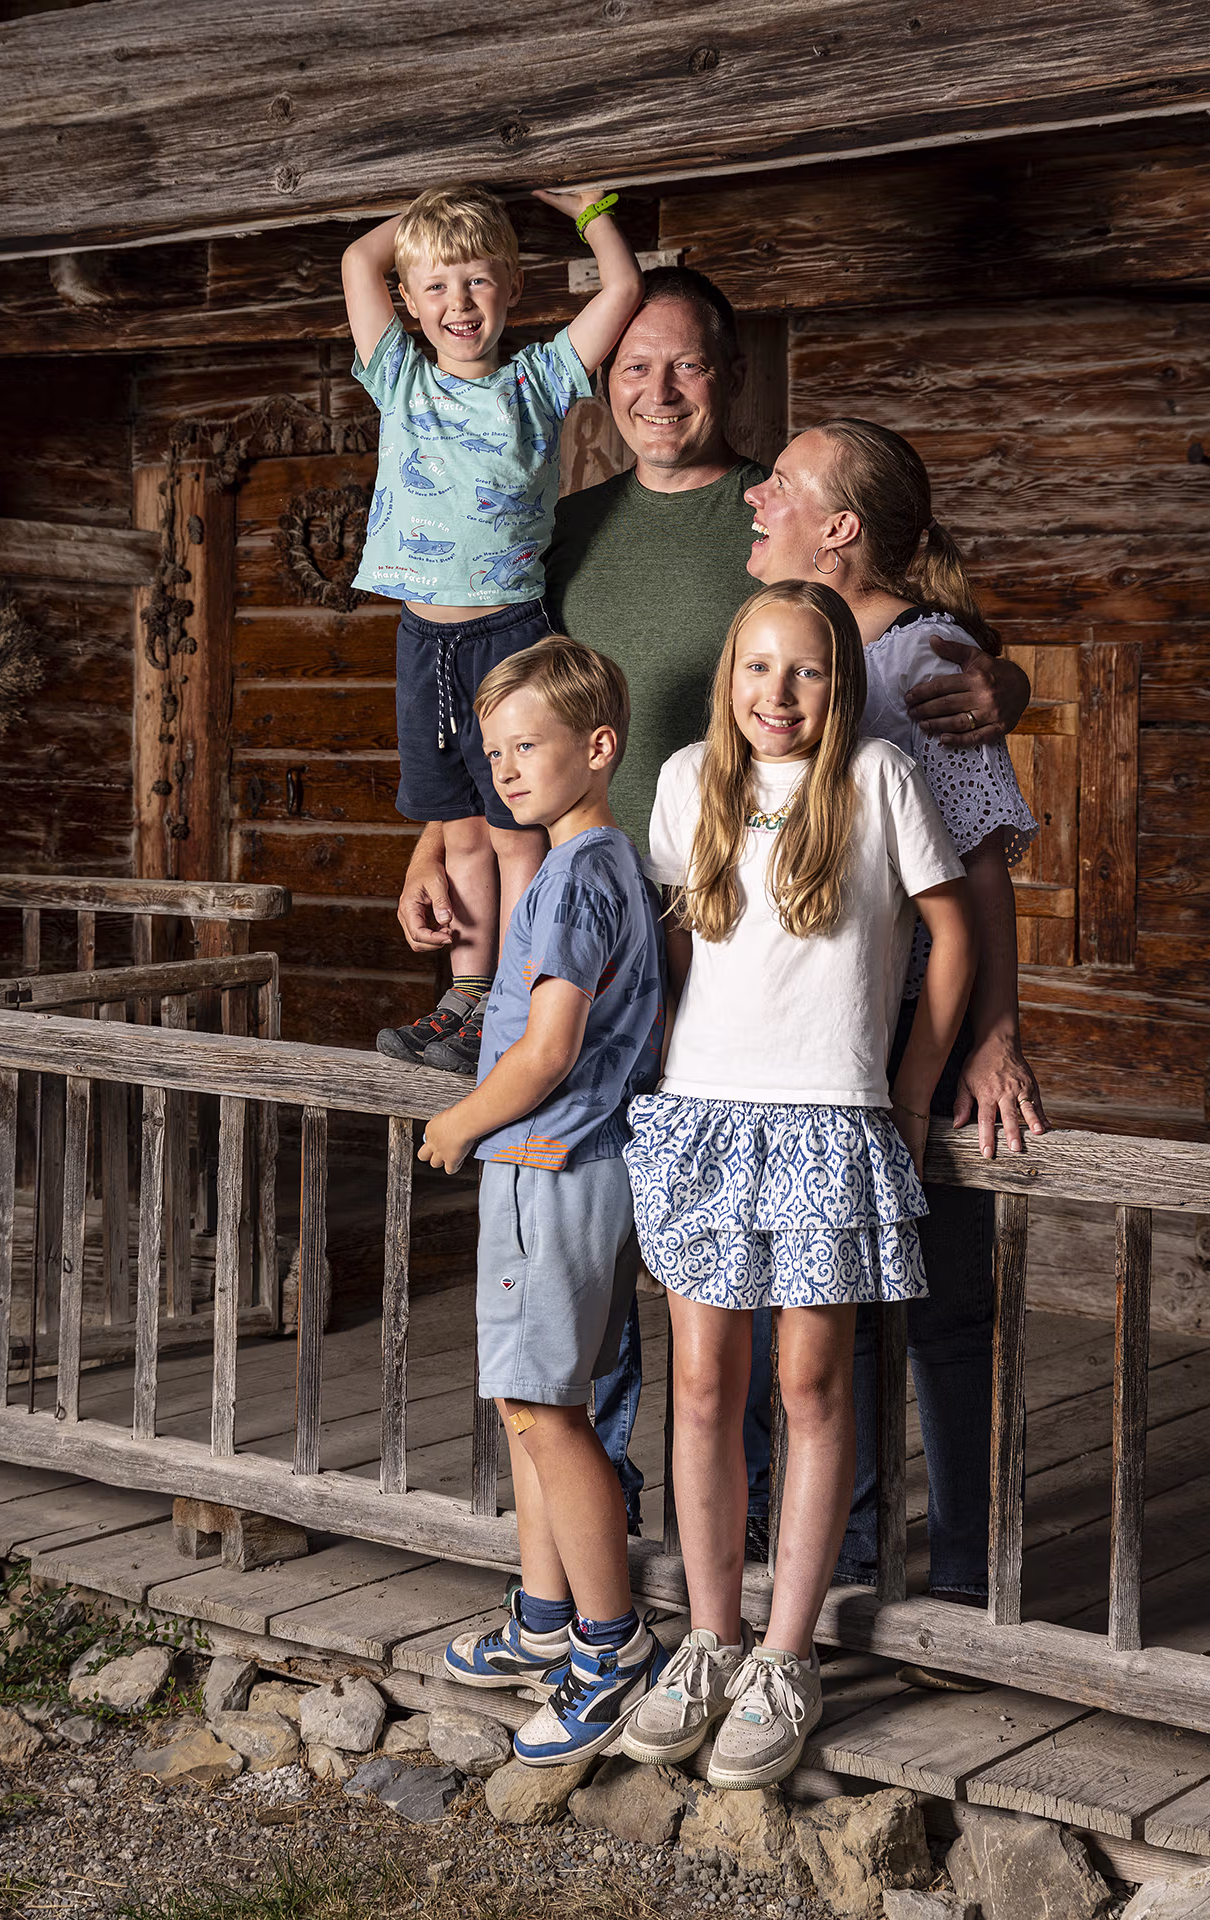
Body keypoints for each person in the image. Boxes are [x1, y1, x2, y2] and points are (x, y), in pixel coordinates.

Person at [393, 269, 1033, 1552]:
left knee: (831, 1310)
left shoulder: (862, 620)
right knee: (666, 1275)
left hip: (829, 1002)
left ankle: (885, 1558)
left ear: (727, 380)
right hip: (652, 965)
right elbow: (494, 680)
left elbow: (961, 844)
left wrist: (995, 676)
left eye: (682, 365)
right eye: (629, 366)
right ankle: (641, 1533)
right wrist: (444, 823)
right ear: (594, 385)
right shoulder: (568, 534)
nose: (655, 391)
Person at [621, 581, 976, 1786]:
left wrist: (914, 1085)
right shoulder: (685, 783)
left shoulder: (877, 780)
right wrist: (659, 1066)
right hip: (706, 1115)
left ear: (841, 684)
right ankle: (709, 1636)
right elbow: (677, 943)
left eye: (808, 672)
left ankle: (784, 1655)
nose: (779, 696)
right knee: (703, 1383)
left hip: (830, 1112)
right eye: (758, 670)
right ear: (729, 678)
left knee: (809, 1381)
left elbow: (951, 936)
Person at [743, 418, 1046, 1606]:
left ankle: (966, 1578)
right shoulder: (792, 651)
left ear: (839, 529)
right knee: (830, 1304)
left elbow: (977, 869)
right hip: (823, 1026)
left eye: (781, 485)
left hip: (916, 1021)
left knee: (939, 1308)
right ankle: (849, 1563)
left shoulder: (919, 659)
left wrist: (989, 1040)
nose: (754, 498)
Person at [419, 634, 668, 1765]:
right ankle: (541, 1619)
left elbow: (551, 1043)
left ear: (597, 747)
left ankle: (608, 1648)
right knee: (532, 1401)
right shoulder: (610, 862)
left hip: (544, 1165)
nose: (506, 770)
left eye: (529, 746)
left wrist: (460, 1123)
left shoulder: (571, 876)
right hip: (570, 1169)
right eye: (494, 751)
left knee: (544, 1412)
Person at [341, 182, 643, 1071]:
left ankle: (511, 992)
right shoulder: (397, 375)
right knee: (459, 830)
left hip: (511, 637)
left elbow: (620, 292)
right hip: (421, 642)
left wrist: (592, 216)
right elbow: (360, 259)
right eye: (435, 287)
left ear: (511, 286)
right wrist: (442, 205)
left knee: (514, 833)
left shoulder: (540, 379)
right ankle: (463, 1001)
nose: (458, 305)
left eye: (476, 281)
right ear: (409, 302)